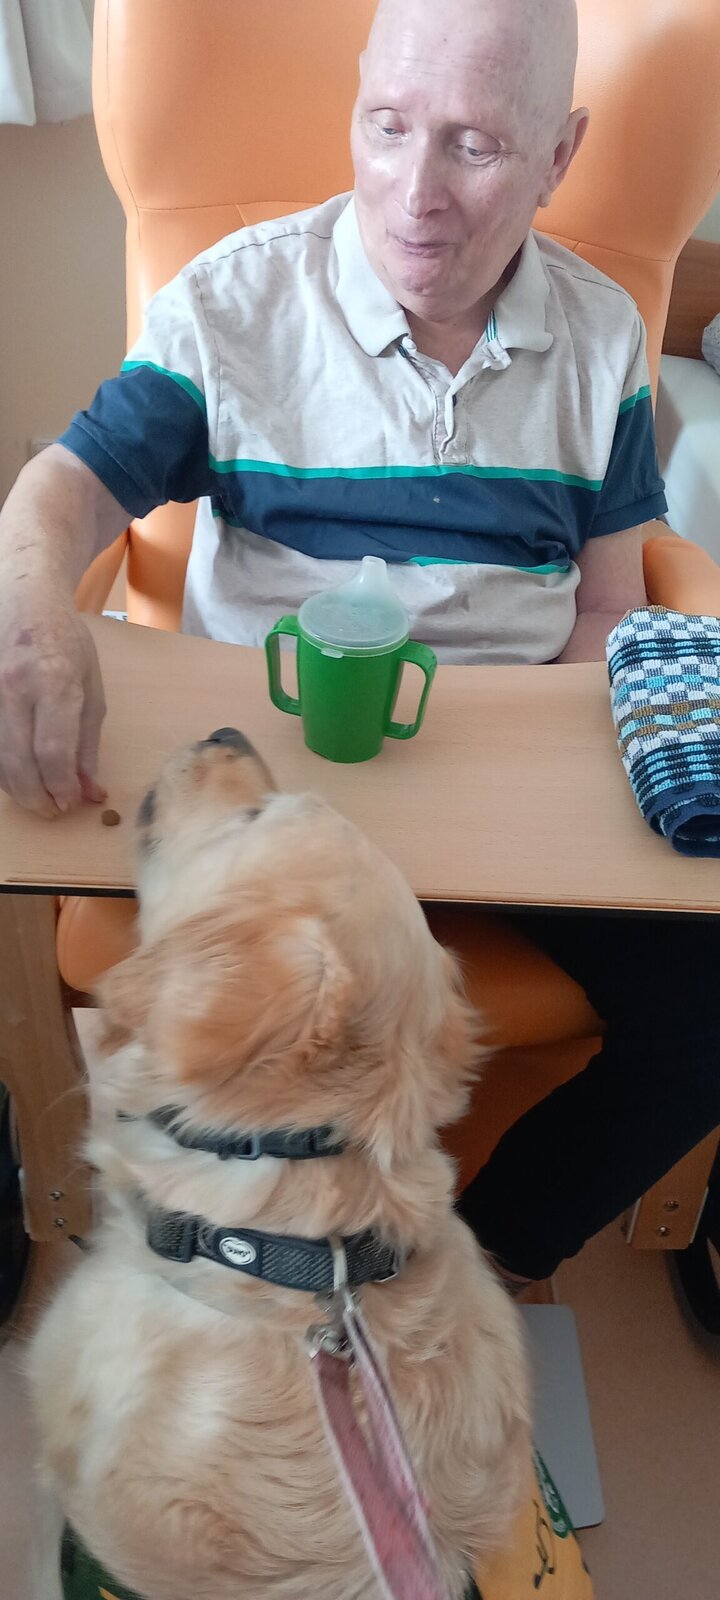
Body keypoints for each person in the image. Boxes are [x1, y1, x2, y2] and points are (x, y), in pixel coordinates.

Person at [1, 0, 718, 1300]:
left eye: (474, 147)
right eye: (388, 127)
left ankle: (467, 1264)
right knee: (281, 1084)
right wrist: (32, 603)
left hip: (504, 795)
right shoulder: (231, 305)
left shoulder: (603, 336)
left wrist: (542, 813)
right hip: (275, 797)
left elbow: (611, 605)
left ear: (559, 155)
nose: (415, 195)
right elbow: (67, 489)